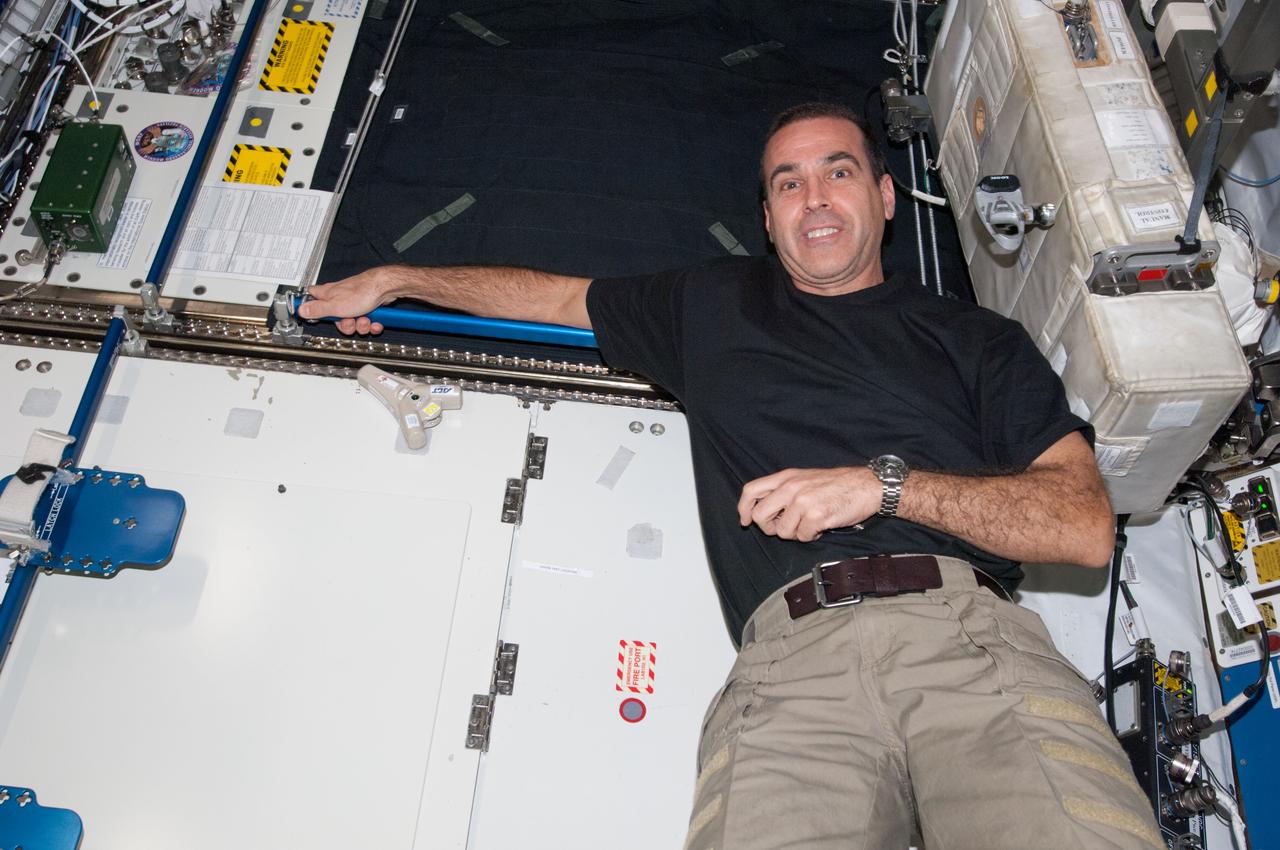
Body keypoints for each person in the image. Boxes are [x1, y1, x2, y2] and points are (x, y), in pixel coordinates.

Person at [300, 102, 1163, 849]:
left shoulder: (978, 340)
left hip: (972, 650)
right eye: (788, 182)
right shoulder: (711, 307)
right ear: (767, 213)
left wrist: (884, 486)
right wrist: (397, 277)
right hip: (792, 674)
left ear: (886, 196)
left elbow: (1082, 527)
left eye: (838, 171)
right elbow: (553, 296)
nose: (814, 197)